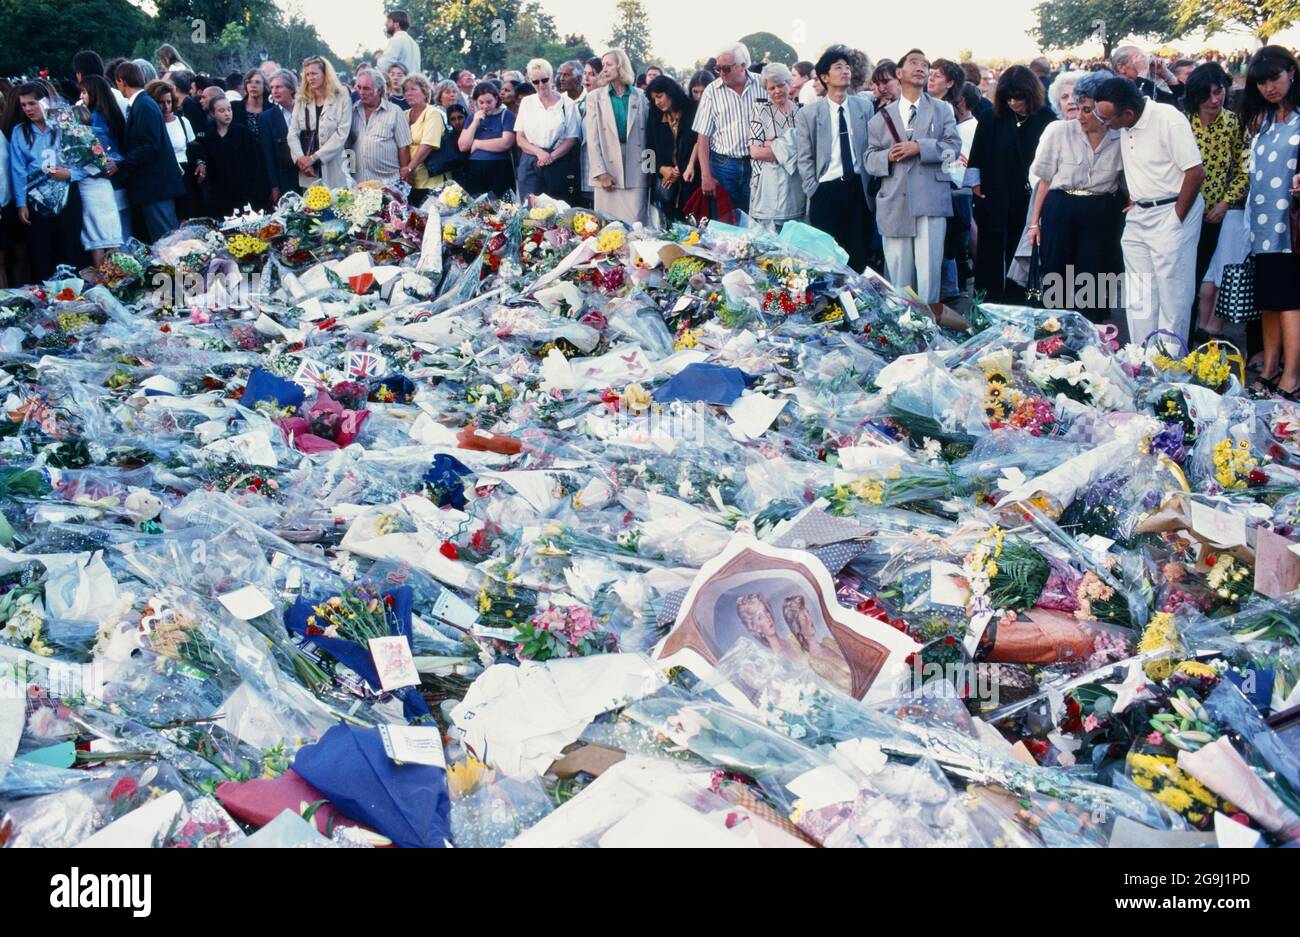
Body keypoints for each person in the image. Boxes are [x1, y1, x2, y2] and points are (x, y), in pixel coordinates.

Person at [1092, 77, 1205, 345]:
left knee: (1172, 296)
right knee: (1140, 296)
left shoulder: (1168, 118)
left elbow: (1195, 172)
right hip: (1140, 214)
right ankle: (1142, 361)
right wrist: (1139, 199)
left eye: (1107, 119)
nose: (1103, 123)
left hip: (1174, 210)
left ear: (1128, 113)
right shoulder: (1126, 123)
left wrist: (1176, 218)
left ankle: (1168, 368)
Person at [1025, 70, 1124, 321]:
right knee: (1057, 277)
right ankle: (1055, 336)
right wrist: (1034, 223)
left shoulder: (1121, 137)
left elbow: (1129, 182)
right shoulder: (1059, 131)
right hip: (1061, 207)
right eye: (1078, 107)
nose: (1080, 115)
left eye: (1087, 110)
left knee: (1094, 279)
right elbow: (1044, 181)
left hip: (1102, 212)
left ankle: (1092, 337)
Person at [867, 49, 961, 310]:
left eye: (925, 64)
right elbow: (869, 160)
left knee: (929, 273)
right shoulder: (879, 120)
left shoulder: (942, 110)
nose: (921, 67)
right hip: (895, 203)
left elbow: (953, 151)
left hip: (931, 202)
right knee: (899, 276)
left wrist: (921, 147)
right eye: (914, 62)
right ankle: (903, 328)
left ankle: (930, 328)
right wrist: (889, 155)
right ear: (899, 73)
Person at [1240, 46, 1300, 396]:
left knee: (1290, 301)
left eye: (1274, 78)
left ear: (1291, 72)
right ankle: (1272, 362)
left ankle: (1292, 375)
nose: (1269, 88)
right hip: (1262, 225)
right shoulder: (1262, 120)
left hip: (1290, 227)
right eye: (1261, 82)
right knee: (1268, 300)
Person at [969, 65, 1056, 303]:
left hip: (1029, 200)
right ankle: (986, 305)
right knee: (989, 255)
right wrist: (976, 188)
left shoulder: (1047, 119)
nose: (1013, 103)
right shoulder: (990, 117)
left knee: (1025, 256)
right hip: (994, 196)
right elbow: (976, 156)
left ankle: (1022, 304)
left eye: (1019, 97)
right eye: (1008, 97)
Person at [1184, 63, 1248, 342]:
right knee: (1179, 277)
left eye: (1219, 91)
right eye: (1208, 94)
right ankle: (1180, 332)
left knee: (1201, 276)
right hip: (1180, 212)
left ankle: (1196, 331)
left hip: (1214, 215)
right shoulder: (1182, 122)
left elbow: (1246, 168)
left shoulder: (1235, 123)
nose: (1214, 99)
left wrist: (1225, 202)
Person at [797, 46, 875, 271]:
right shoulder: (809, 114)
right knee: (828, 260)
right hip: (826, 190)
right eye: (838, 67)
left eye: (848, 67)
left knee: (858, 256)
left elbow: (871, 146)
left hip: (859, 190)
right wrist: (814, 189)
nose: (845, 71)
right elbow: (805, 157)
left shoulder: (864, 107)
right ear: (824, 77)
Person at [6, 83, 85, 279]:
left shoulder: (64, 124)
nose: (28, 109)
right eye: (23, 105)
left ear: (45, 102)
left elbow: (86, 158)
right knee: (41, 248)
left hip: (66, 192)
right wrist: (21, 203)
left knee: (69, 244)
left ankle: (74, 292)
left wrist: (70, 174)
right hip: (37, 195)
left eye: (32, 103)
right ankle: (47, 294)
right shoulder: (19, 132)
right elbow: (18, 170)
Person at [115, 62, 185, 241]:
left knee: (167, 241)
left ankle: (181, 271)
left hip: (156, 186)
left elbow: (150, 145)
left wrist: (122, 164)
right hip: (154, 187)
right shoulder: (143, 103)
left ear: (121, 81)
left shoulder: (144, 105)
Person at [693, 42, 762, 215]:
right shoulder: (711, 91)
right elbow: (703, 136)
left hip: (758, 164)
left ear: (743, 66)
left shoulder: (763, 84)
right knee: (725, 221)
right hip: (723, 166)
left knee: (755, 219)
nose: (721, 73)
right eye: (718, 68)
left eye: (726, 68)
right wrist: (705, 175)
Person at [584, 49, 649, 224]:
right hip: (607, 172)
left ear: (621, 66)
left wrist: (649, 171)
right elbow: (592, 139)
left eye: (609, 64)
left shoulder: (642, 97)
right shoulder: (594, 98)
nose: (604, 69)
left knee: (636, 228)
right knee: (607, 228)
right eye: (603, 65)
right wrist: (600, 173)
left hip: (637, 172)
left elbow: (651, 138)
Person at [514, 59, 582, 202]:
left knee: (558, 210)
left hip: (558, 162)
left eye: (544, 80)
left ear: (551, 78)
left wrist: (551, 157)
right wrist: (539, 153)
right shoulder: (527, 103)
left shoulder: (567, 104)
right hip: (530, 163)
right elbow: (520, 138)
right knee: (530, 211)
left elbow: (571, 138)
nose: (541, 85)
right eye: (535, 82)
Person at [747, 63, 804, 229]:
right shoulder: (760, 111)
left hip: (796, 184)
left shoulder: (802, 112)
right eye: (771, 88)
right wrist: (790, 147)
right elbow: (755, 152)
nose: (777, 91)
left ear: (789, 83)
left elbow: (806, 148)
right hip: (767, 184)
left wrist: (772, 143)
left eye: (781, 85)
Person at [940, 82, 982, 299]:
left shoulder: (964, 130)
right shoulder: (974, 125)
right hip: (965, 187)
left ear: (962, 101)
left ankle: (976, 270)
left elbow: (957, 163)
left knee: (968, 229)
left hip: (960, 188)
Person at [80, 75, 132, 244]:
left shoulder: (96, 118)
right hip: (122, 177)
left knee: (113, 236)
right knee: (125, 230)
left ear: (93, 93)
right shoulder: (113, 114)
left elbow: (99, 150)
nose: (81, 97)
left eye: (84, 92)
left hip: (109, 179)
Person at [288, 56, 354, 189]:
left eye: (314, 73)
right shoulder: (301, 99)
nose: (310, 78)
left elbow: (342, 134)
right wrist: (301, 160)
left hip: (335, 168)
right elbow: (292, 133)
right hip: (308, 171)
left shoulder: (342, 96)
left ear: (325, 74)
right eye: (307, 74)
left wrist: (314, 158)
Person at [646, 74, 699, 222]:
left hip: (690, 177)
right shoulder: (654, 115)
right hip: (664, 180)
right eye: (654, 99)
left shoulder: (691, 110)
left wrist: (681, 168)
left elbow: (698, 142)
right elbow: (648, 148)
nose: (657, 102)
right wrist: (661, 168)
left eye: (660, 96)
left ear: (670, 92)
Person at [143, 80, 198, 220]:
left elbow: (194, 148)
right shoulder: (152, 125)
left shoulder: (183, 122)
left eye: (169, 102)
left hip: (184, 174)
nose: (166, 107)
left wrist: (200, 162)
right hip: (164, 176)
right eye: (161, 102)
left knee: (187, 217)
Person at [348, 67, 411, 185]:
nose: (361, 92)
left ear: (379, 89)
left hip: (388, 183)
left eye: (366, 88)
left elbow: (403, 147)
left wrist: (404, 172)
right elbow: (348, 146)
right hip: (359, 183)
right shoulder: (352, 111)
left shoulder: (395, 111)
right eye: (359, 88)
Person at [195, 95, 254, 219]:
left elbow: (252, 161)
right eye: (222, 111)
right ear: (212, 113)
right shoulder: (207, 135)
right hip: (218, 192)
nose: (227, 114)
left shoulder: (242, 132)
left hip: (241, 189)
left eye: (229, 109)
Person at [458, 81, 516, 198]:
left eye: (489, 102)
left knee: (504, 209)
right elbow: (463, 146)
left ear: (496, 98)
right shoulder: (472, 117)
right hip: (475, 168)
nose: (485, 106)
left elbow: (505, 143)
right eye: (481, 102)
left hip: (500, 167)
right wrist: (475, 122)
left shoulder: (506, 115)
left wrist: (477, 144)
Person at [402, 73, 450, 204]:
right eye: (406, 90)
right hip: (411, 181)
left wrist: (408, 169)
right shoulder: (404, 115)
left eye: (413, 89)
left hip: (432, 180)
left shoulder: (432, 113)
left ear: (424, 92)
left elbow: (427, 145)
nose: (408, 93)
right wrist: (405, 170)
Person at [261, 69, 300, 205]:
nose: (274, 91)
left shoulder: (306, 110)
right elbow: (268, 155)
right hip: (285, 179)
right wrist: (274, 186)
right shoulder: (266, 118)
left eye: (279, 87)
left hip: (309, 174)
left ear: (291, 89)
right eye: (272, 87)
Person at [1112, 46, 1177, 105]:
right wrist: (1142, 73)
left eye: (1143, 58)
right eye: (1137, 59)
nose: (1142, 62)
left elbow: (1178, 102)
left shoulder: (1146, 84)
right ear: (1121, 68)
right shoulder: (1112, 88)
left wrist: (1165, 73)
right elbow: (1134, 105)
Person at [377, 10, 421, 77]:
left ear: (396, 25)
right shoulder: (414, 44)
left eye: (389, 21)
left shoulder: (396, 39)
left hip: (400, 85)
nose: (386, 24)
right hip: (411, 84)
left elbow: (384, 66)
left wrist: (380, 58)